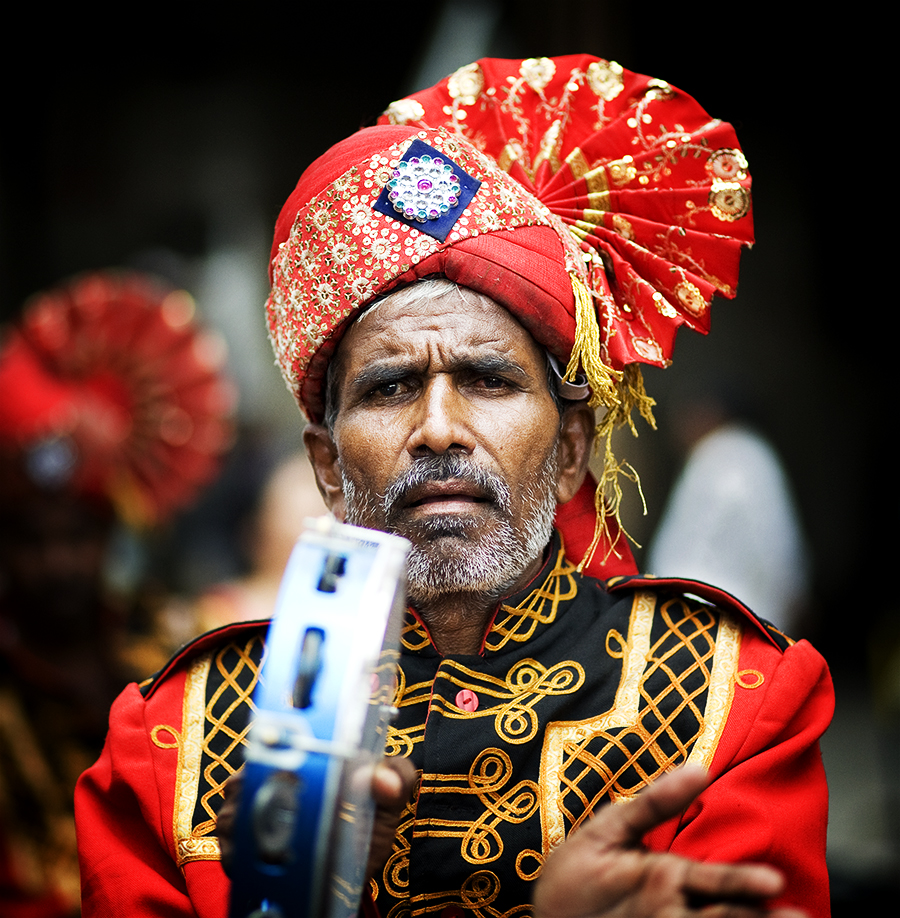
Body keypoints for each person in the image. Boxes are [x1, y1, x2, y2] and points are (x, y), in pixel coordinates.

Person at [75, 55, 832, 918]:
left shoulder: (731, 699)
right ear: (327, 466)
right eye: (390, 386)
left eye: (489, 380)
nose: (438, 427)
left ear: (571, 449)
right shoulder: (175, 740)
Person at [0, 270, 233, 916]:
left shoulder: (173, 642)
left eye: (78, 538)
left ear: (110, 539)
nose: (57, 563)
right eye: (30, 541)